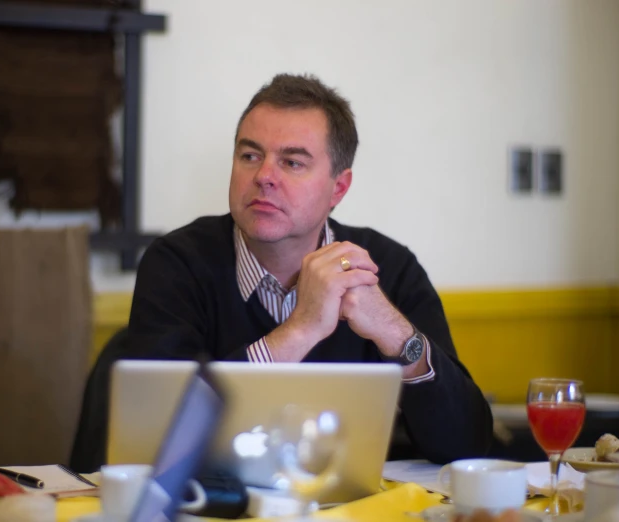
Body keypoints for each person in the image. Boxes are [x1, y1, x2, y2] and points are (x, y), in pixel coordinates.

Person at [126, 73, 492, 463]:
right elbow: (158, 439)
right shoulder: (177, 263)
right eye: (250, 156)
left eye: (293, 162)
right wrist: (301, 328)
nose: (264, 176)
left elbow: (467, 446)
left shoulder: (390, 267)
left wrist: (396, 335)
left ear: (339, 188)